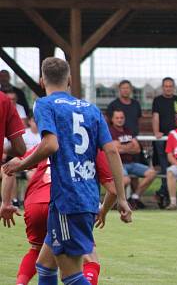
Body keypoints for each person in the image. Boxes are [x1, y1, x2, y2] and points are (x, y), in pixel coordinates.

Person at [1, 57, 131, 285]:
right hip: (83, 197)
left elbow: (51, 145)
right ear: (70, 80)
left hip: (67, 200)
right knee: (44, 265)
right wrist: (121, 198)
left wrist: (20, 165)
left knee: (71, 276)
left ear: (42, 81)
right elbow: (111, 152)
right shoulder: (91, 109)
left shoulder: (44, 104)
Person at [1, 146, 117, 285]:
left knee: (42, 260)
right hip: (68, 204)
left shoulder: (49, 144)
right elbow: (113, 187)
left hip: (37, 203)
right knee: (84, 263)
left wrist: (6, 203)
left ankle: (20, 283)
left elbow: (9, 166)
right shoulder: (91, 145)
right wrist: (105, 209)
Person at [109, 109, 157, 210]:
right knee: (126, 180)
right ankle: (117, 202)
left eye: (121, 118)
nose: (119, 120)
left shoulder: (127, 130)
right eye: (117, 118)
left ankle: (134, 197)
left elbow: (137, 149)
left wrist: (121, 147)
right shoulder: (110, 131)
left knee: (151, 173)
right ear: (112, 119)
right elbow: (114, 150)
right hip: (118, 164)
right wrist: (128, 147)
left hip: (131, 163)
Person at [152, 77, 177, 208]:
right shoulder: (158, 100)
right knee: (164, 167)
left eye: (170, 86)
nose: (168, 88)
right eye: (166, 86)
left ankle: (163, 193)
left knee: (174, 168)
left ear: (174, 87)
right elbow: (155, 117)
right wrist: (156, 132)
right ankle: (164, 194)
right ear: (163, 87)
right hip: (162, 140)